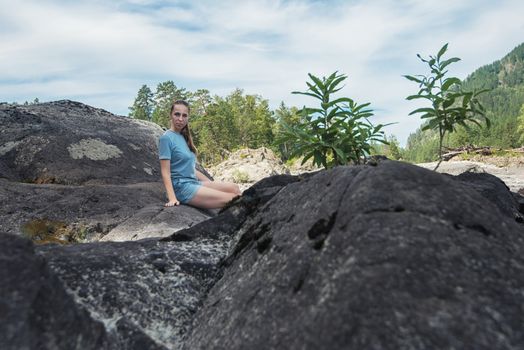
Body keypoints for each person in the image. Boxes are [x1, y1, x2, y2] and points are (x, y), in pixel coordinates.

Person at [158, 100, 241, 209]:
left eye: (184, 115)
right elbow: (165, 172)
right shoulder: (166, 138)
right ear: (171, 115)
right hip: (181, 188)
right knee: (235, 198)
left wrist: (211, 184)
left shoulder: (183, 137)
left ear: (188, 118)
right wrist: (172, 198)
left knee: (234, 188)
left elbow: (190, 168)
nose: (180, 119)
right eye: (177, 114)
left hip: (193, 183)